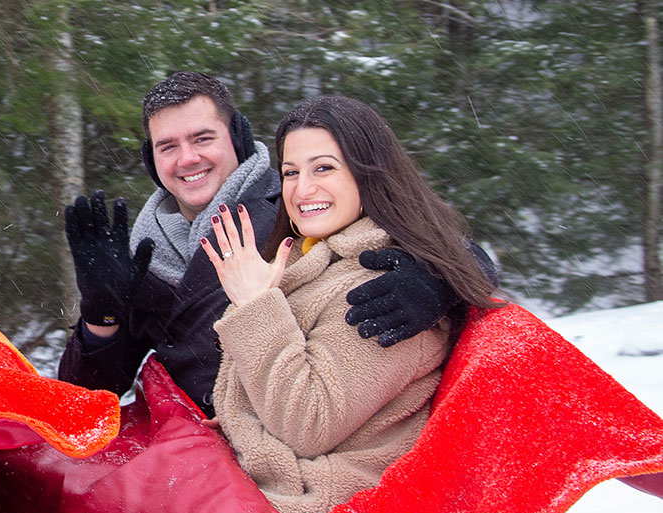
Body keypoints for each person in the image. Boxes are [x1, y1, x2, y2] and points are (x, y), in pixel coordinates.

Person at [202, 95, 501, 513]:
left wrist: (255, 305)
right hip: (278, 495)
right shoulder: (306, 258)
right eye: (291, 172)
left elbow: (309, 421)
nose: (303, 188)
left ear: (369, 174)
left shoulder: (383, 282)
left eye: (324, 167)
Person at [59, 72, 473, 416]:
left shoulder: (296, 207)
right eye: (169, 146)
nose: (186, 159)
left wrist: (436, 278)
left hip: (261, 442)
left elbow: (423, 227)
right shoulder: (146, 251)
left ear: (237, 137)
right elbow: (87, 397)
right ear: (153, 159)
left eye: (202, 138)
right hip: (177, 438)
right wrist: (102, 319)